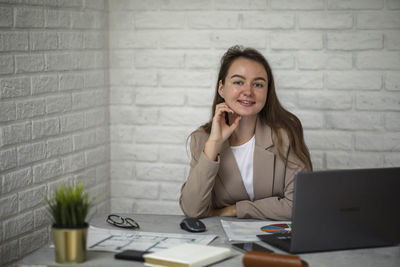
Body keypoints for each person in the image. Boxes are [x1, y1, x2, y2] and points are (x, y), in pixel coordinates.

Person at [179, 46, 312, 220]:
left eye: (258, 84)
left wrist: (235, 210)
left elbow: (300, 204)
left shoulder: (286, 133)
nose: (248, 91)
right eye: (238, 82)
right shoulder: (202, 139)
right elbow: (192, 210)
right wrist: (214, 144)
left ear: (267, 91)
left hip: (277, 240)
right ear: (221, 88)